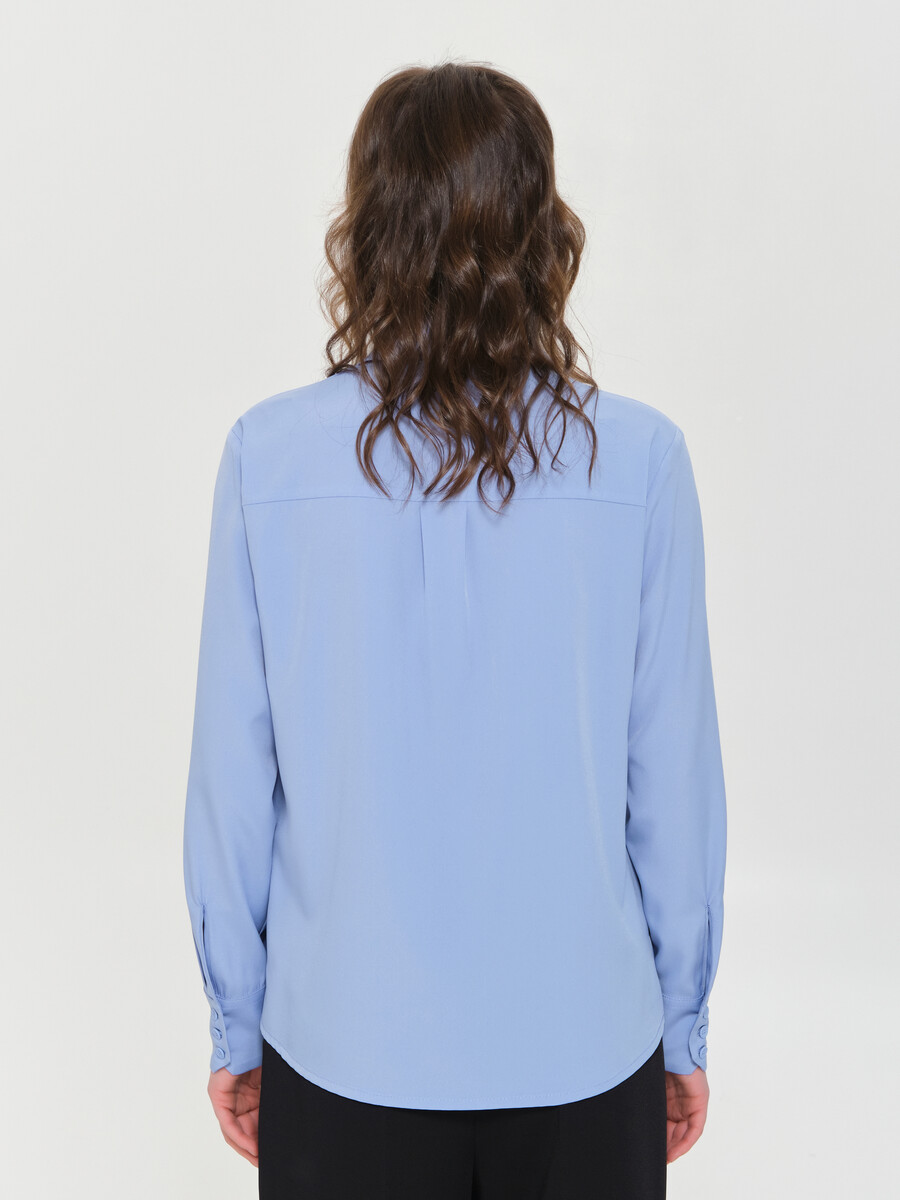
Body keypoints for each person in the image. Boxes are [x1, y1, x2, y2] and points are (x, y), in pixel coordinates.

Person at [182, 59, 727, 1200]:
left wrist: (238, 1019)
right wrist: (680, 1022)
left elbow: (233, 781)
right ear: (542, 230)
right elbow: (673, 781)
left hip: (340, 1048)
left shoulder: (267, 458)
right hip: (585, 1047)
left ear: (369, 231)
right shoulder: (641, 461)